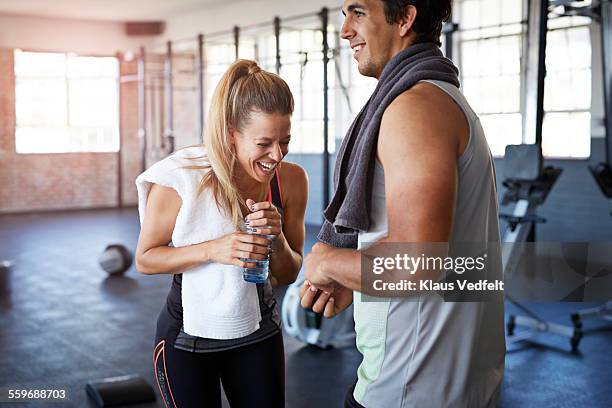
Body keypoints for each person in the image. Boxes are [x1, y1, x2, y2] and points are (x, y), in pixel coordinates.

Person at [299, 1, 505, 407]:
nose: (344, 30)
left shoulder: (413, 109)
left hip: (409, 387)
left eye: (357, 12)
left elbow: (419, 265)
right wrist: (356, 279)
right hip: (447, 382)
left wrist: (326, 263)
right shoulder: (442, 99)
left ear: (405, 18)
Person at [135, 59, 307, 408]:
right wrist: (213, 249)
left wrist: (277, 239)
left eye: (285, 141)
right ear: (232, 133)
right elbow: (145, 259)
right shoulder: (182, 180)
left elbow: (288, 273)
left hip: (259, 332)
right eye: (264, 143)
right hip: (186, 340)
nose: (276, 155)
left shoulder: (291, 180)